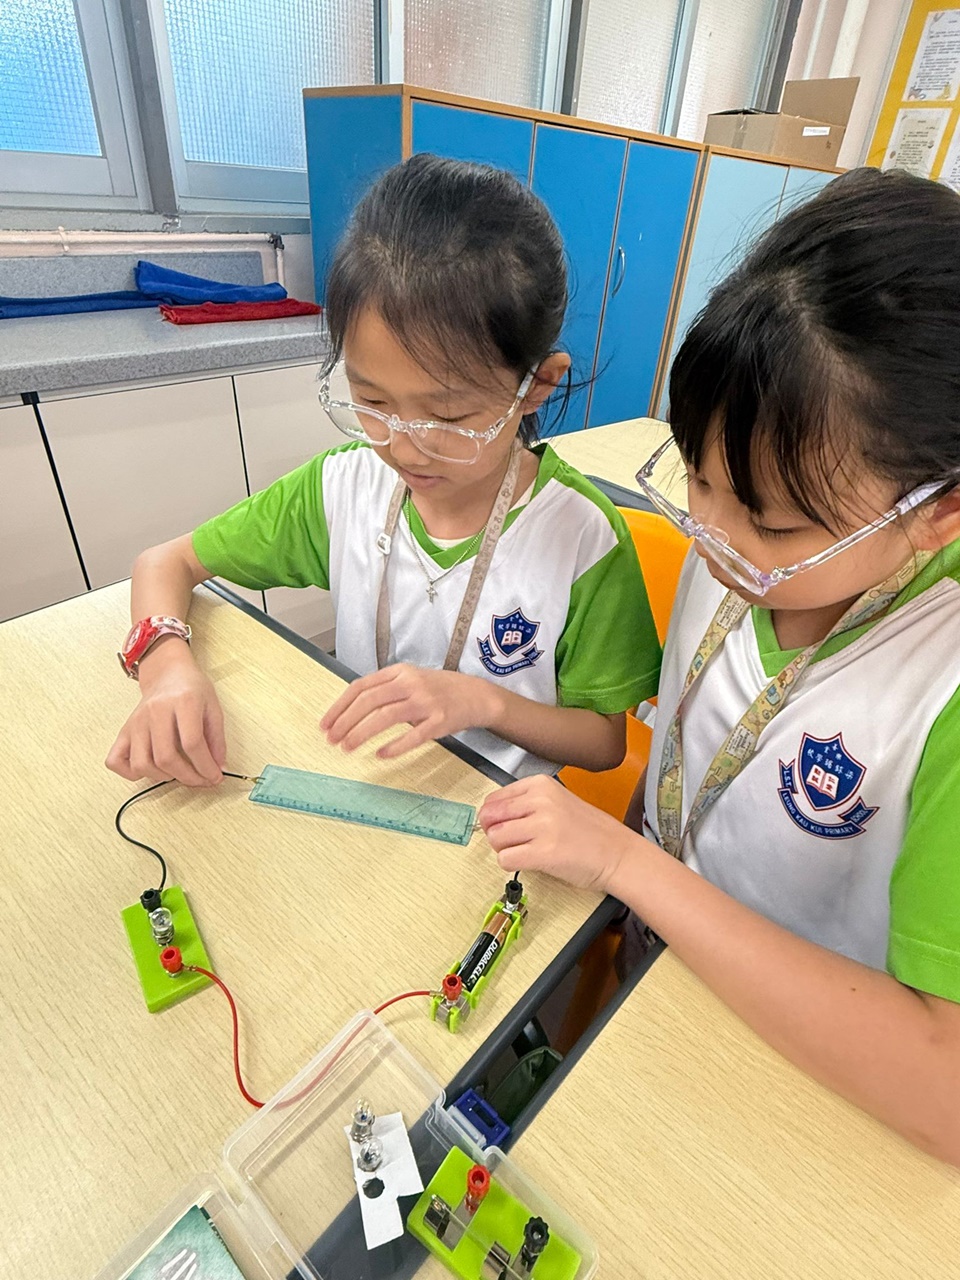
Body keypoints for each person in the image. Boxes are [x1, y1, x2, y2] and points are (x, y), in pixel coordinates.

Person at [479, 167, 960, 1162]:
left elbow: (944, 1090)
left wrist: (629, 867)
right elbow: (695, 748)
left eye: (774, 526)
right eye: (698, 478)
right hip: (658, 981)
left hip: (809, 1099)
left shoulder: (938, 685)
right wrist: (629, 866)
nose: (714, 537)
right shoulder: (737, 547)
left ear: (939, 513)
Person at [106, 153, 660, 786]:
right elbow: (165, 563)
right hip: (367, 784)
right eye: (372, 402)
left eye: (448, 416)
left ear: (536, 386)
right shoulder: (342, 487)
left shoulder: (584, 539)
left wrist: (486, 703)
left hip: (500, 816)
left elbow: (603, 743)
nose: (405, 449)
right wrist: (167, 670)